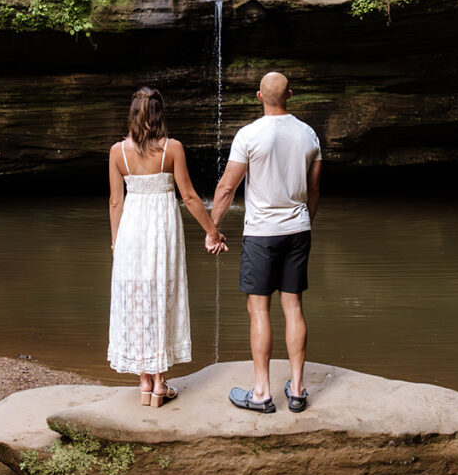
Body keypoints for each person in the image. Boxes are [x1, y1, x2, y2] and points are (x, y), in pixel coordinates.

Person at [211, 72, 322, 414]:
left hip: (261, 233)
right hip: (297, 230)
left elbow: (227, 188)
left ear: (258, 96)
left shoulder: (249, 135)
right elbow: (315, 189)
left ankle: (261, 392)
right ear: (290, 94)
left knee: (259, 310)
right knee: (293, 306)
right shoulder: (309, 134)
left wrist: (212, 228)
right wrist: (305, 222)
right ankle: (298, 389)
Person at [108, 86, 226, 408]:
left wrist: (117, 243)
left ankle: (144, 382)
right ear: (160, 115)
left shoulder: (118, 152)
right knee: (161, 294)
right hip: (161, 230)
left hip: (131, 231)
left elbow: (116, 201)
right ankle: (160, 383)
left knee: (137, 297)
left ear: (133, 115)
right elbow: (188, 196)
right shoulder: (172, 148)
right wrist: (212, 232)